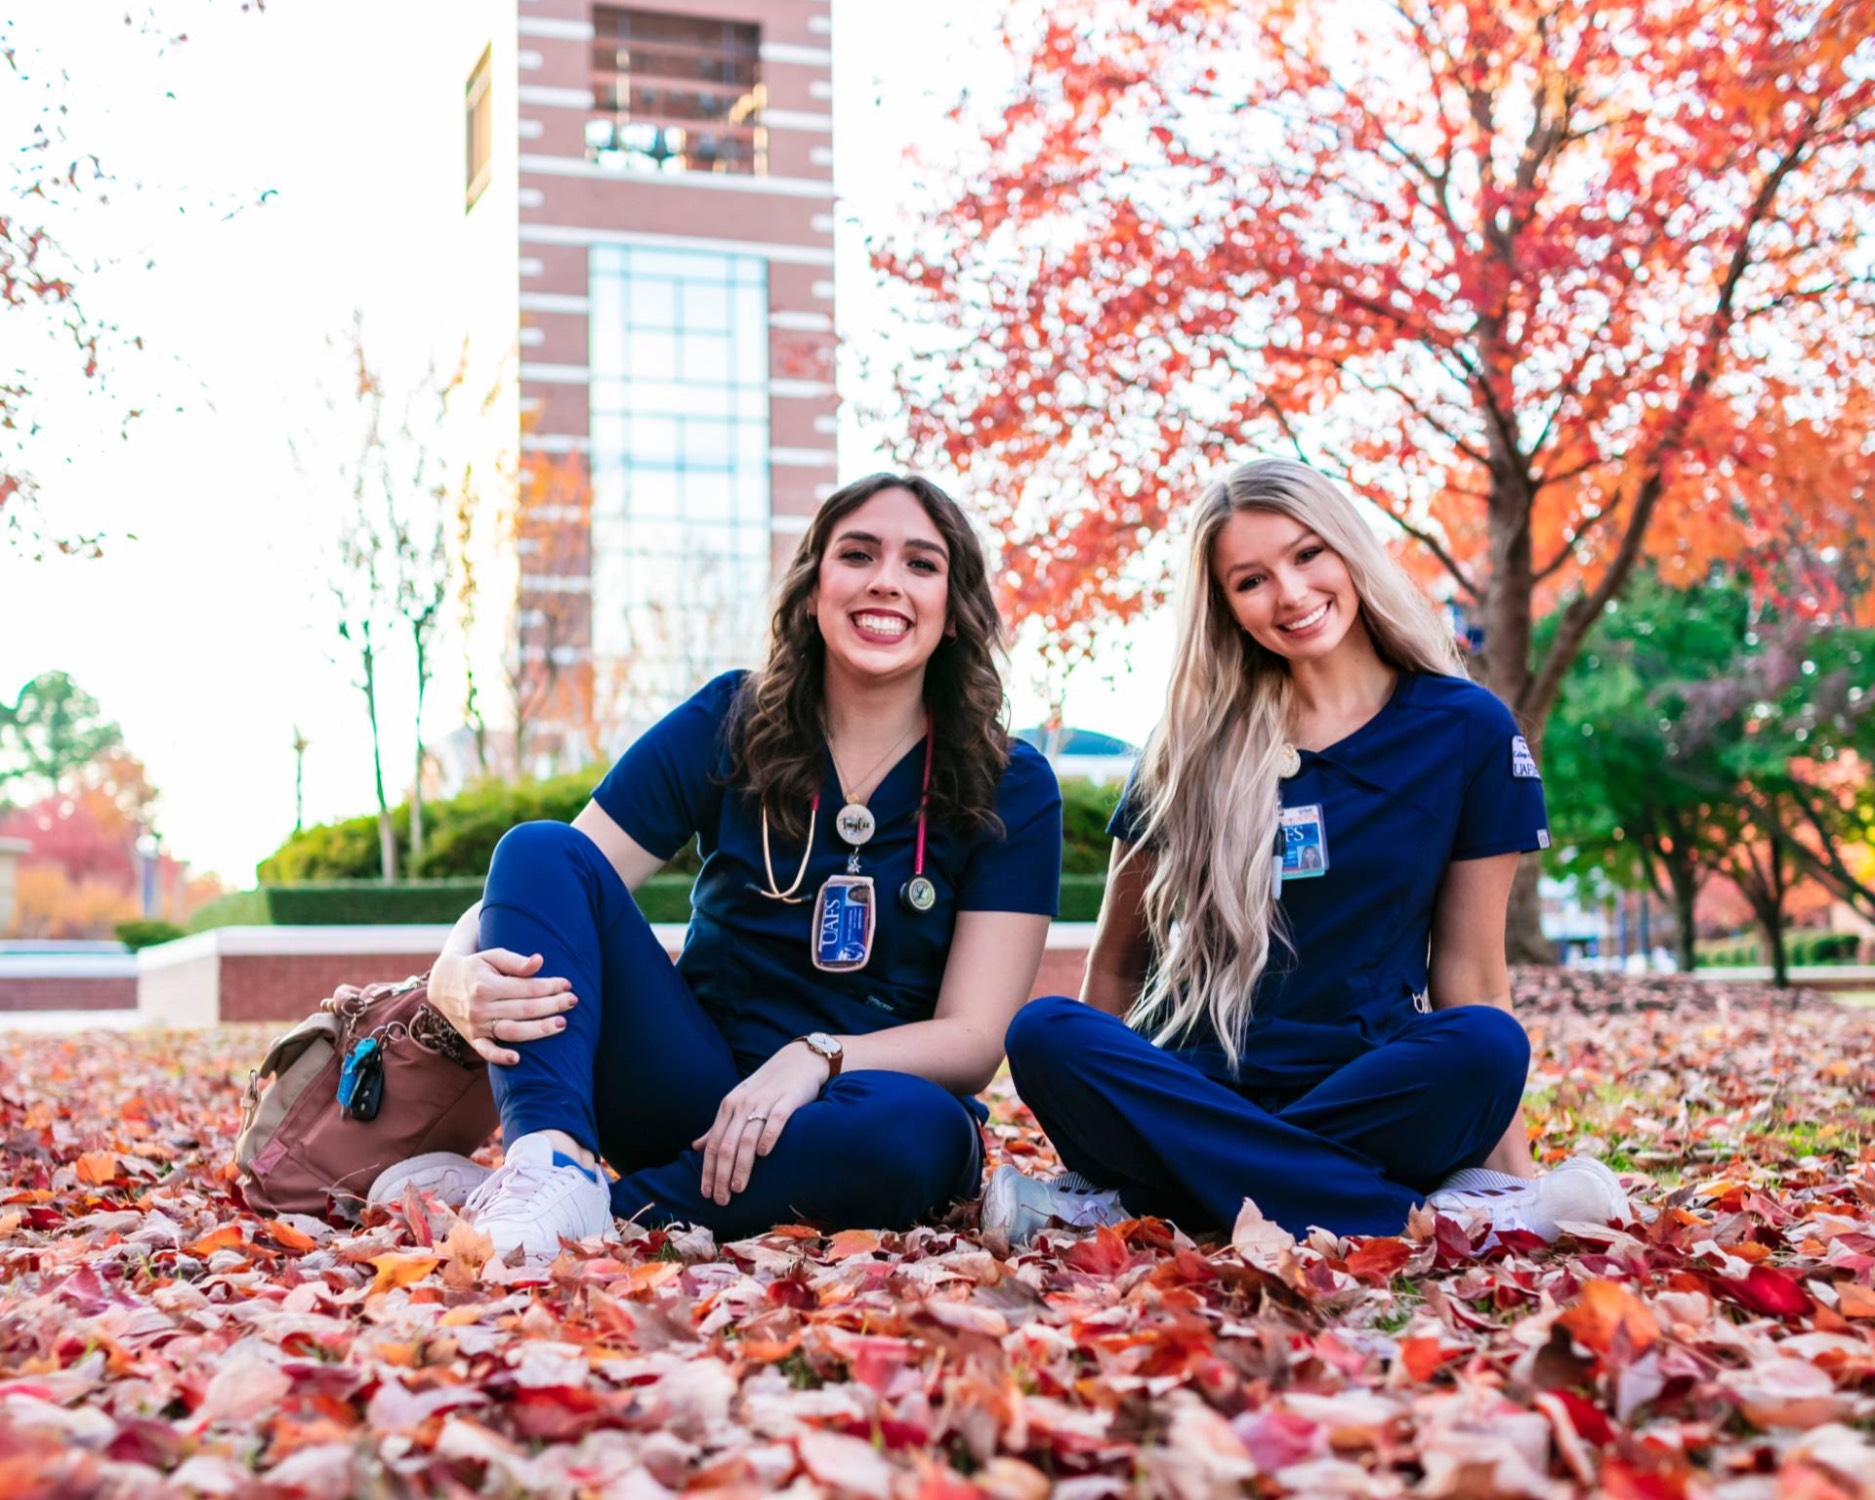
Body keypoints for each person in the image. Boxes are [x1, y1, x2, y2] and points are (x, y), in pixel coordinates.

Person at [374, 474, 1062, 1257]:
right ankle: (552, 1162)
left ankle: (607, 1208)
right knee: (534, 842)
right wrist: (447, 974)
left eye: (921, 564)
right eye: (858, 554)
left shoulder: (1011, 780)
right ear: (811, 591)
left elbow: (973, 1040)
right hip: (692, 1089)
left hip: (860, 1105)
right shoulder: (730, 720)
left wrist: (815, 1057)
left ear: (954, 608)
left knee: (916, 1139)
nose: (885, 581)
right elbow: (555, 879)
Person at [985, 459, 1628, 1246]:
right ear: (1225, 607)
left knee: (1487, 1044)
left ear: (1348, 551)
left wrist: (1514, 1174)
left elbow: (1470, 977)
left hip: (1374, 1091)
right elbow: (1116, 968)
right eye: (1250, 580)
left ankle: (1155, 1203)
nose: (1289, 593)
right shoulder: (1187, 746)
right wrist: (1097, 1130)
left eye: (1306, 554)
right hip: (1196, 1080)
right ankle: (1445, 1220)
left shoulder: (1466, 730)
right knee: (1045, 1032)